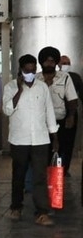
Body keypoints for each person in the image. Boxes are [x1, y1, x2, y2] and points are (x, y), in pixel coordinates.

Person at [2, 54, 58, 226]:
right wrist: (20, 90)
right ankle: (16, 207)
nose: (30, 73)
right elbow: (7, 110)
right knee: (18, 175)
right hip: (19, 139)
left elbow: (49, 112)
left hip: (40, 139)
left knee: (40, 176)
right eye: (27, 71)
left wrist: (54, 137)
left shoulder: (42, 87)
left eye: (33, 70)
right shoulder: (10, 87)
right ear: (20, 70)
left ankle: (42, 212)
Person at [37, 46, 78, 174]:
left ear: (56, 62)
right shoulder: (35, 79)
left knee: (61, 149)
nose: (49, 63)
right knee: (43, 150)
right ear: (41, 62)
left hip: (60, 120)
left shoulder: (64, 77)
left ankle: (58, 176)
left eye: (52, 61)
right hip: (41, 123)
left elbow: (72, 99)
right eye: (46, 61)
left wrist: (71, 116)